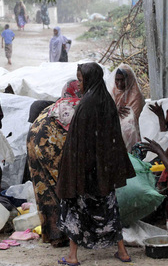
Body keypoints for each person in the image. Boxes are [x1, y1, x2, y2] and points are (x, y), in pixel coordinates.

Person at [56, 62, 135, 265]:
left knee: (75, 208)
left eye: (81, 80)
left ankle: (73, 256)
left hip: (86, 170)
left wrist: (73, 171)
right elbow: (110, 138)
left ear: (90, 79)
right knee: (109, 209)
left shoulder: (87, 104)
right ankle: (123, 252)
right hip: (103, 170)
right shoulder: (106, 100)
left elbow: (79, 142)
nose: (79, 85)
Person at [27, 81, 82, 248]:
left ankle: (56, 236)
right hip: (49, 145)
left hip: (33, 141)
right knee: (66, 188)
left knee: (45, 190)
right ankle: (73, 233)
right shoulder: (75, 105)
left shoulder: (58, 104)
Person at [110, 64, 145, 151]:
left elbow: (134, 120)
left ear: (129, 79)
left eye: (122, 80)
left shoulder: (135, 96)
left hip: (131, 132)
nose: (119, 83)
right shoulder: (114, 92)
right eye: (117, 80)